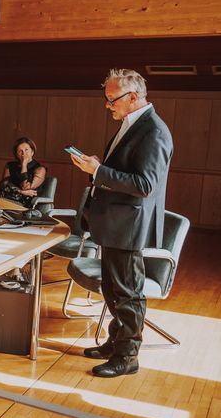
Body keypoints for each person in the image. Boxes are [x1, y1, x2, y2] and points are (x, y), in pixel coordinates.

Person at [70, 68, 173, 378]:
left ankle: (128, 356)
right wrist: (97, 168)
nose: (107, 104)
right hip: (114, 223)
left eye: (111, 99)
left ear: (132, 98)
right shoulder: (132, 124)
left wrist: (98, 172)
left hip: (129, 226)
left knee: (128, 292)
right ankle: (116, 341)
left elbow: (145, 184)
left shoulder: (153, 131)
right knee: (113, 290)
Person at [0, 137, 46, 208]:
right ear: (16, 154)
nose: (23, 154)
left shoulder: (40, 169)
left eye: (26, 150)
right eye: (20, 151)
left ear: (32, 152)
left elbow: (25, 187)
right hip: (8, 197)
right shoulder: (10, 165)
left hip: (26, 203)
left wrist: (24, 165)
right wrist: (19, 191)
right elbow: (2, 185)